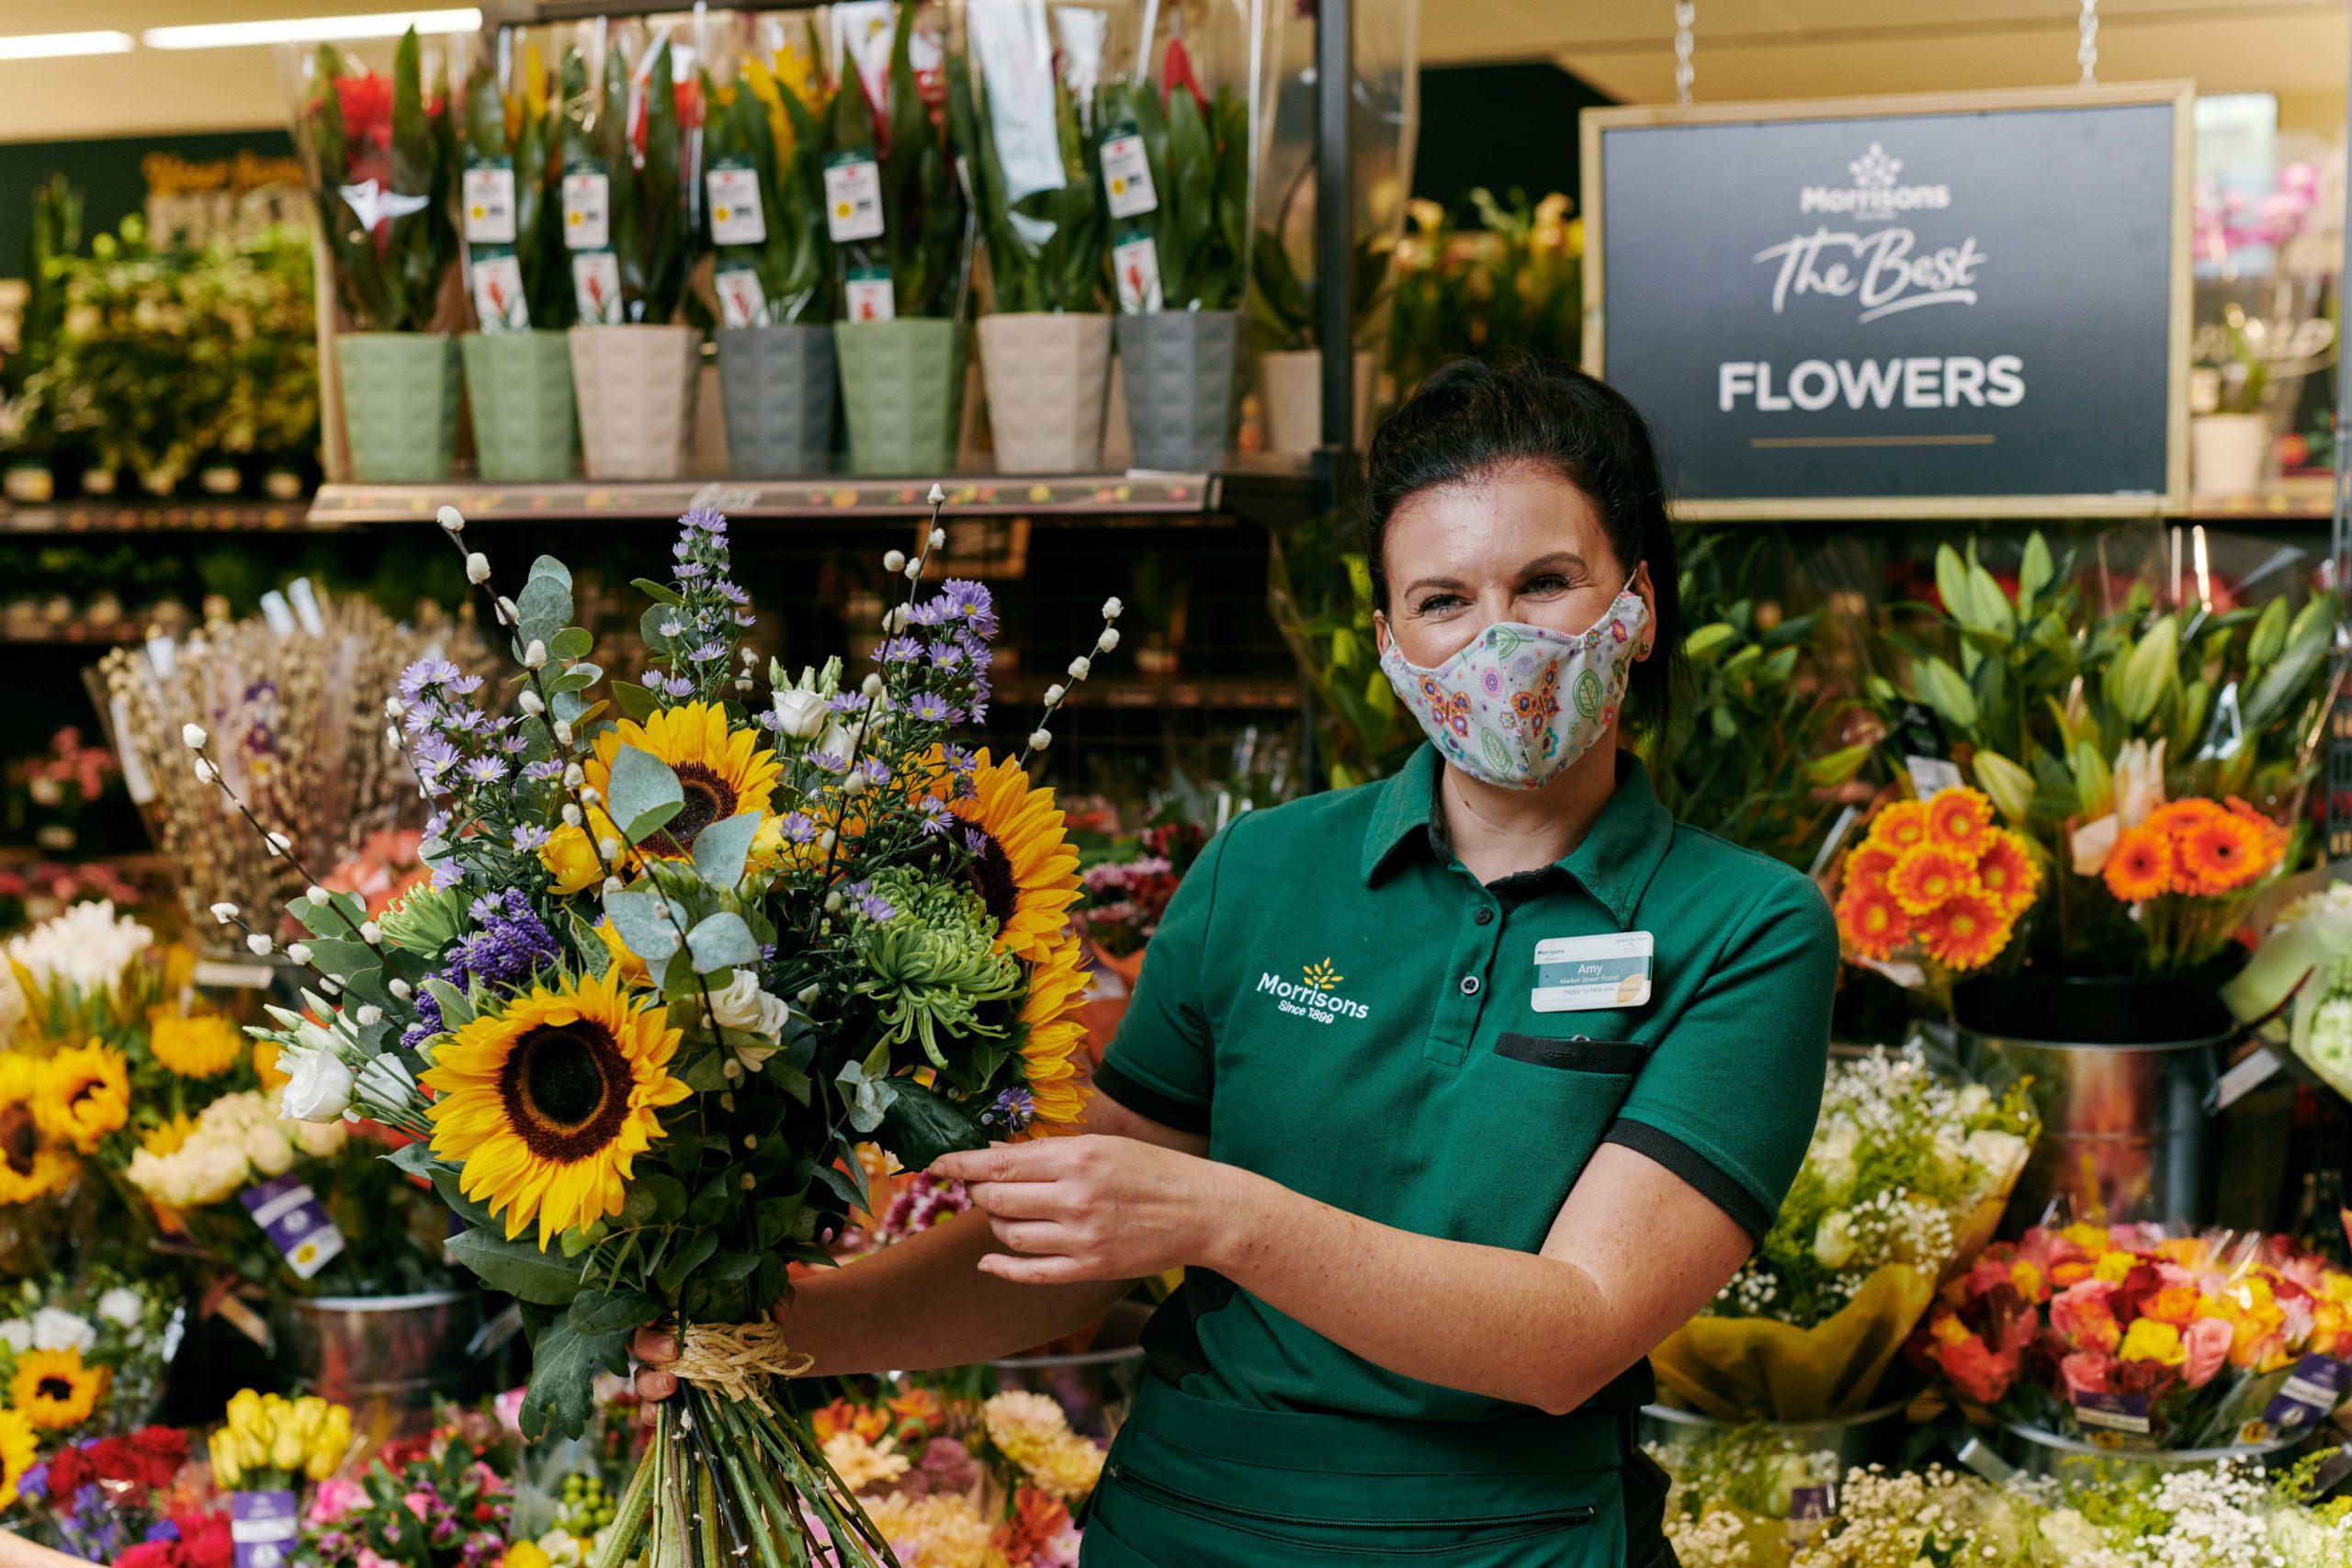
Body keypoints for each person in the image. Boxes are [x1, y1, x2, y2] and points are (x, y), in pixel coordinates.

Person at [636, 357, 1838, 1566]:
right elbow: (1057, 1271)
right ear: (1387, 641)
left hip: (1509, 1539)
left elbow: (1570, 1335)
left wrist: (1221, 1217)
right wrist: (757, 1331)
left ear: (1637, 607)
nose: (1499, 639)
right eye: (1443, 600)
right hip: (1188, 1523)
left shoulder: (1746, 931)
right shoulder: (1259, 874)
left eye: (1546, 582)